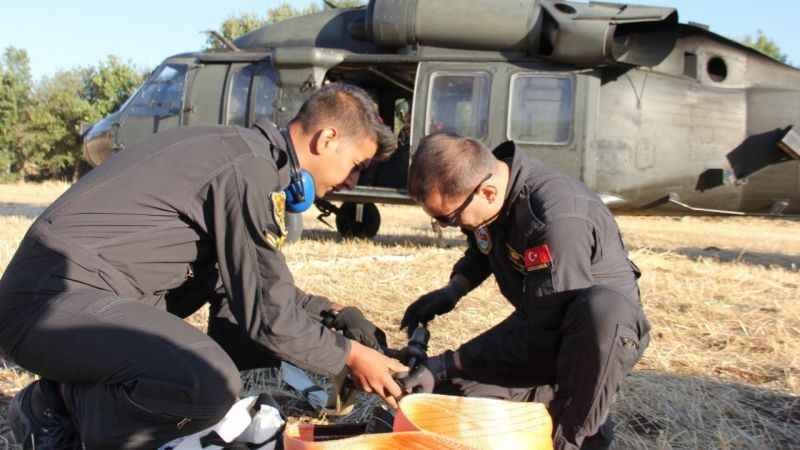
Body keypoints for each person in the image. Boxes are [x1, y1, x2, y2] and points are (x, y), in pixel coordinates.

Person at [0, 83, 407, 450]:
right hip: (50, 304)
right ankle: (61, 418)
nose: (353, 181)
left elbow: (252, 287)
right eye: (357, 163)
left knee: (229, 337)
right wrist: (348, 356)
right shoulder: (248, 169)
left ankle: (58, 403)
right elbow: (269, 316)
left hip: (74, 302)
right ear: (327, 139)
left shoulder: (247, 157)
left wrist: (333, 314)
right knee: (207, 380)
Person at [398, 133, 650, 450]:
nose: (452, 227)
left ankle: (580, 430)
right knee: (451, 400)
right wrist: (454, 289)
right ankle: (545, 400)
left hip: (593, 344)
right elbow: (484, 244)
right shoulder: (496, 192)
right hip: (545, 327)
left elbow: (543, 326)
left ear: (487, 192)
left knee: (602, 314)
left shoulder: (556, 217)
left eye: (448, 219)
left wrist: (446, 362)